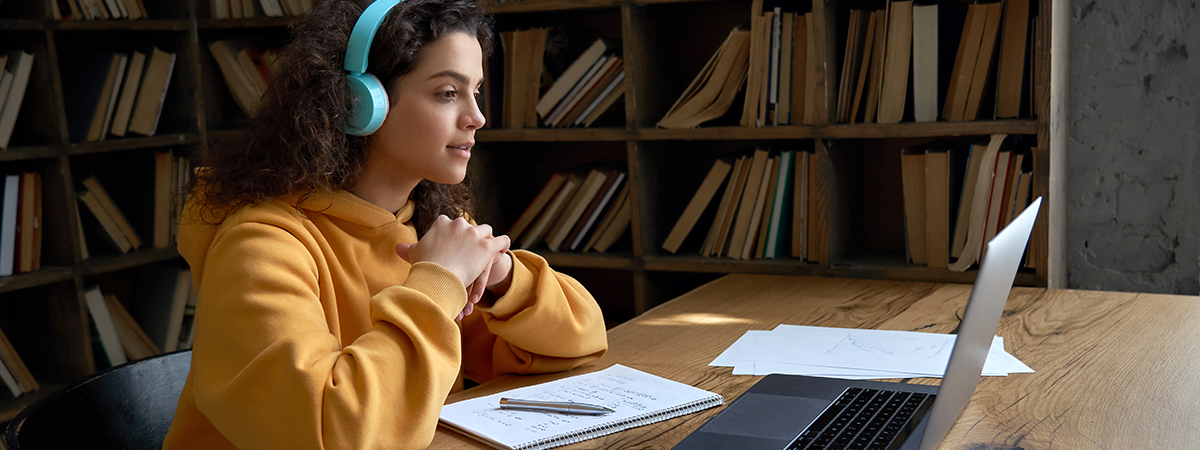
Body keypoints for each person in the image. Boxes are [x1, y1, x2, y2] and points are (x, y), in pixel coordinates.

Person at [161, 0, 609, 448]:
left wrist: (503, 281)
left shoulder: (424, 226)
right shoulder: (259, 246)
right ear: (360, 103)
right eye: (448, 93)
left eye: (475, 91)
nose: (478, 116)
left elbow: (581, 341)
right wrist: (441, 281)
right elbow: (332, 431)